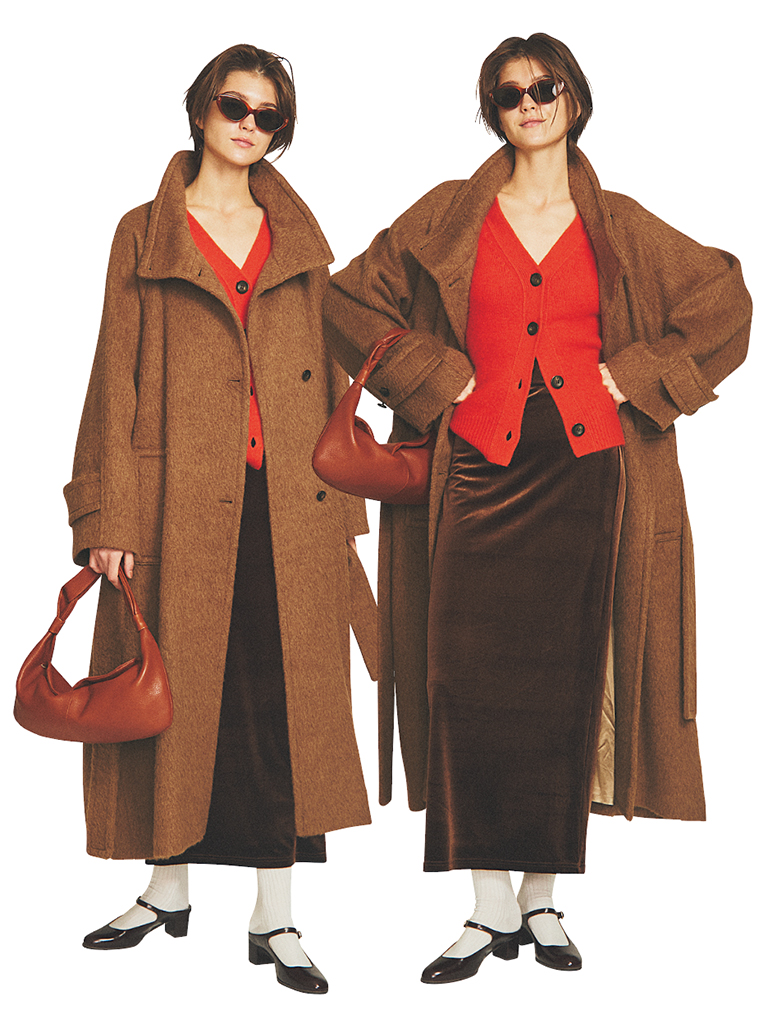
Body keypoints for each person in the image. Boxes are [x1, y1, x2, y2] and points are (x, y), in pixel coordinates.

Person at [322, 32, 751, 980]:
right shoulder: (449, 215)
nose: (529, 103)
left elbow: (727, 300)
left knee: (565, 687)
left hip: (588, 471)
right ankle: (486, 910)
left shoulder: (620, 223)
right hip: (474, 469)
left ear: (574, 99)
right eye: (509, 93)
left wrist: (633, 376)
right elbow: (348, 300)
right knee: (465, 683)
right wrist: (439, 378)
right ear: (494, 111)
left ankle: (541, 903)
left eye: (544, 87)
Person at [64, 43, 376, 995]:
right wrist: (107, 512)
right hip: (173, 508)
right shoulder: (143, 232)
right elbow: (113, 375)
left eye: (267, 115)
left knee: (281, 703)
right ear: (201, 109)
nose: (248, 125)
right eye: (234, 106)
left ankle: (275, 917)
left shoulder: (301, 242)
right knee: (167, 694)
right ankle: (166, 891)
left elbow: (334, 376)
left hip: (289, 506)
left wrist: (348, 510)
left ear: (281, 130)